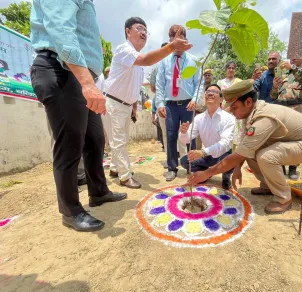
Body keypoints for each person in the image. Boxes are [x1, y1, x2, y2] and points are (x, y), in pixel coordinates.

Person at [30, 0, 127, 232]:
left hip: (79, 75)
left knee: (95, 139)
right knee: (70, 144)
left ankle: (99, 192)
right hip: (62, 70)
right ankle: (70, 210)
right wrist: (87, 82)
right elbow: (61, 28)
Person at [188, 79, 302, 214]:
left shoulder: (263, 117)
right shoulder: (251, 112)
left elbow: (238, 155)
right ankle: (268, 186)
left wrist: (207, 173)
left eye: (234, 107)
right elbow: (243, 148)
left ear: (248, 102)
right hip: (292, 142)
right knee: (252, 152)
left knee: (266, 156)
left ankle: (284, 198)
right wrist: (237, 168)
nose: (232, 112)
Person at [103, 18, 192, 189]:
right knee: (119, 141)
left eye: (145, 29)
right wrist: (171, 46)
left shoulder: (136, 62)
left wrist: (136, 103)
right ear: (128, 31)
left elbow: (138, 83)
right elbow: (146, 60)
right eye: (139, 28)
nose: (144, 32)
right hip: (114, 103)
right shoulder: (125, 50)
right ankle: (124, 176)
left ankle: (115, 168)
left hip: (125, 105)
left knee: (120, 139)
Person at [156, 25, 203, 181]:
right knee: (170, 136)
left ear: (186, 41)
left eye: (181, 40)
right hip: (170, 106)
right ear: (170, 41)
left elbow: (199, 83)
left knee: (190, 135)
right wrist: (160, 103)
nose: (177, 43)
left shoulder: (194, 61)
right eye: (173, 40)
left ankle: (193, 166)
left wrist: (195, 99)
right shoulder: (163, 62)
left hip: (188, 104)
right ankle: (172, 168)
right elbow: (160, 84)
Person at [179, 84, 235, 189]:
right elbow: (186, 139)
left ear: (221, 99)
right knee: (184, 161)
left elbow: (225, 144)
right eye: (207, 91)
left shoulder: (228, 118)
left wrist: (203, 152)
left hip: (223, 155)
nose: (210, 93)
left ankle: (226, 175)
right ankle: (205, 173)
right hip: (208, 155)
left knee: (230, 158)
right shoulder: (199, 118)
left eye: (214, 92)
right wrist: (183, 132)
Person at [270, 58, 302, 180]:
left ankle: (293, 167)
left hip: (296, 109)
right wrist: (274, 87)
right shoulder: (283, 74)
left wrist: (292, 68)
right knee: (280, 137)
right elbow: (273, 95)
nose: (294, 57)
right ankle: (281, 166)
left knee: (296, 139)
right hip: (281, 109)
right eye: (292, 54)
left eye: (297, 54)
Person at [195, 68, 213, 150]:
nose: (207, 76)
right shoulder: (198, 87)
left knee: (210, 137)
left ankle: (210, 156)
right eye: (205, 75)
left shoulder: (214, 87)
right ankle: (197, 156)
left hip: (210, 115)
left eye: (209, 75)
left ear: (212, 76)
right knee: (197, 138)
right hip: (198, 114)